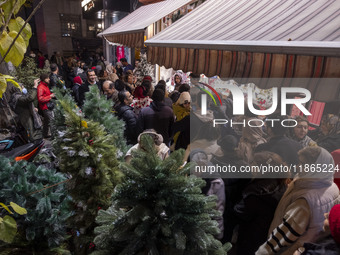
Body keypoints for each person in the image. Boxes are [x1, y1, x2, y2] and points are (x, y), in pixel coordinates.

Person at [256, 146, 340, 255]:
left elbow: (284, 235)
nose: (297, 166)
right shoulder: (332, 187)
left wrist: (263, 252)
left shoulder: (305, 200)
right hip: (312, 245)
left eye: (303, 164)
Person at [234, 151, 288, 255]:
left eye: (254, 163)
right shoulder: (280, 182)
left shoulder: (256, 191)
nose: (251, 165)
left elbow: (242, 213)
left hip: (251, 236)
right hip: (266, 234)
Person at [37, 73, 55, 138]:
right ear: (44, 79)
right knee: (52, 122)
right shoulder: (41, 87)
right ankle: (54, 137)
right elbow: (40, 99)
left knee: (46, 122)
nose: (49, 79)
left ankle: (45, 134)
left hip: (46, 106)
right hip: (46, 107)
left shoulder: (45, 86)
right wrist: (50, 96)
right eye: (47, 78)